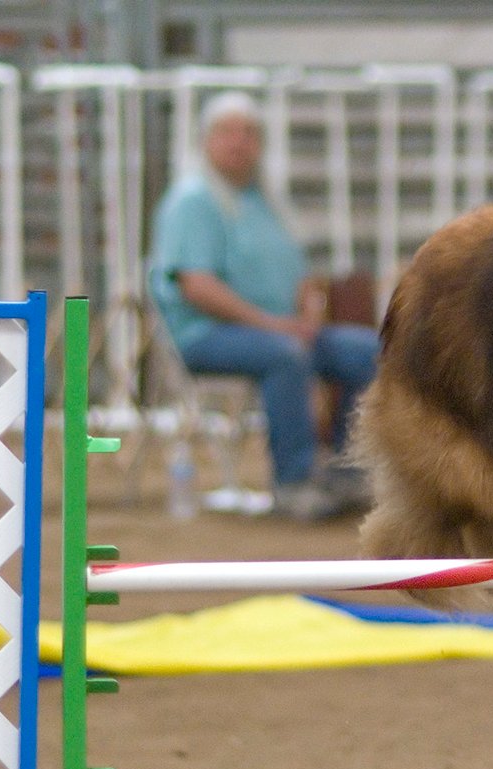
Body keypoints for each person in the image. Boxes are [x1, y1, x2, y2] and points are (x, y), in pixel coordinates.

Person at [149, 90, 379, 521]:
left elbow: (303, 273)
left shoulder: (269, 202)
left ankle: (349, 472)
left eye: (249, 133)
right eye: (227, 132)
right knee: (285, 356)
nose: (239, 142)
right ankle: (294, 482)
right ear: (206, 142)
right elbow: (196, 286)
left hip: (283, 328)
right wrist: (273, 325)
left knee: (367, 350)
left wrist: (309, 312)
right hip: (208, 335)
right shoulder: (192, 202)